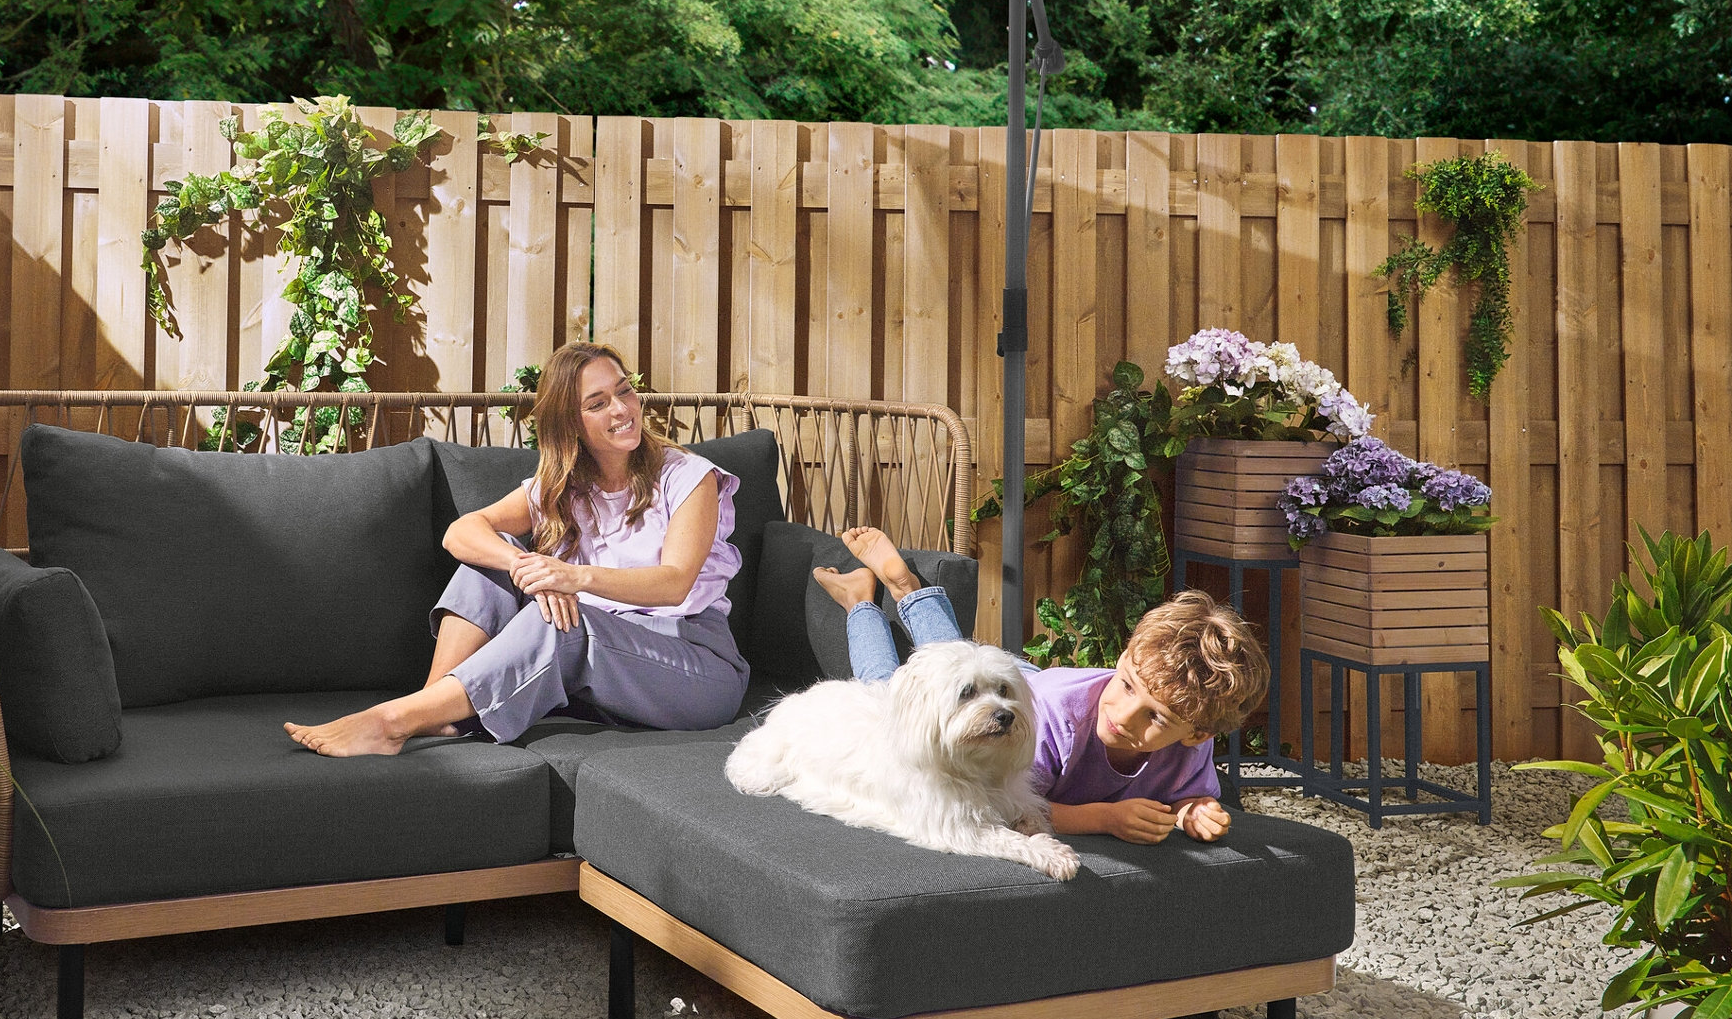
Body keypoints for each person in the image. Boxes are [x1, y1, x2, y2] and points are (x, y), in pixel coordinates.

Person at [283, 341, 750, 757]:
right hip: (607, 666)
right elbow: (461, 532)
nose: (622, 409)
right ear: (571, 424)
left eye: (624, 391)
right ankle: (434, 710)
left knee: (562, 622)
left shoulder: (689, 476)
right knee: (491, 559)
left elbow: (675, 583)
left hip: (694, 665)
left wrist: (570, 577)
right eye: (598, 403)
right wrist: (523, 564)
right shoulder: (562, 486)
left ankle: (393, 721)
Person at [815, 540, 1266, 845]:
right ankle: (869, 599)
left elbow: (1187, 794)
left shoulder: (1189, 744)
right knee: (897, 685)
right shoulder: (1054, 725)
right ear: (1123, 655)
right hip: (1034, 696)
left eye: (1156, 719)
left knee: (963, 659)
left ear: (1196, 735)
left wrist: (1193, 811)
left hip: (1027, 683)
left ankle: (907, 589)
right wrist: (1106, 820)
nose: (1124, 715)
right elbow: (1010, 807)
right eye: (1126, 683)